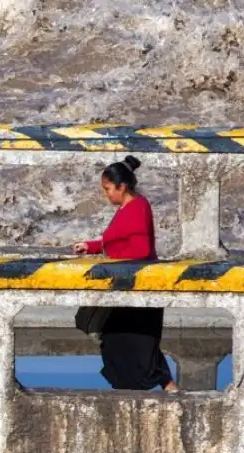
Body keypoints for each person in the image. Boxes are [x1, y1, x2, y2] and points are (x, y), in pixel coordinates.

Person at [71, 155, 177, 392]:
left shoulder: (137, 208)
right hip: (127, 285)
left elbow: (140, 249)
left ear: (122, 186)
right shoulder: (129, 207)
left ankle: (167, 390)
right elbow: (119, 241)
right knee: (124, 343)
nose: (106, 194)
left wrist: (108, 257)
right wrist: (92, 246)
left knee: (137, 345)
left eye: (108, 189)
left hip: (137, 286)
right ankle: (150, 393)